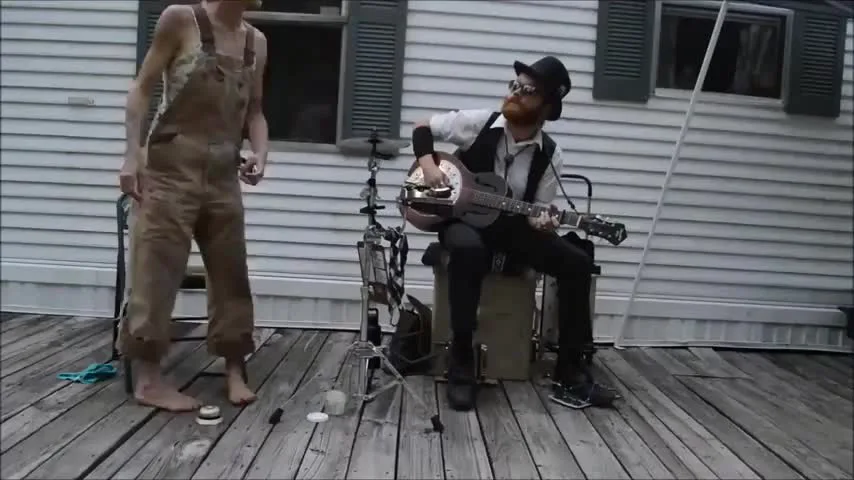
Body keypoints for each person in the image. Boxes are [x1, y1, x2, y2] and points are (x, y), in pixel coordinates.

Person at [411, 56, 618, 411]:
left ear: (547, 105)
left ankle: (570, 372)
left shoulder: (551, 154)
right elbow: (422, 127)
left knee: (577, 263)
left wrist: (544, 222)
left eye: (527, 90)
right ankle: (461, 362)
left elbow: (537, 211)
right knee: (469, 250)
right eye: (514, 86)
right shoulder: (480, 123)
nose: (515, 93)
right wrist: (429, 167)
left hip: (511, 227)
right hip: (462, 220)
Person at [118, 0, 268, 412]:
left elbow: (255, 111)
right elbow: (142, 87)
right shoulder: (181, 20)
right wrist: (131, 156)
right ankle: (149, 381)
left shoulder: (257, 42)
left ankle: (234, 369)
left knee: (231, 273)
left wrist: (260, 152)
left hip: (222, 175)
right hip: (170, 170)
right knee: (156, 270)